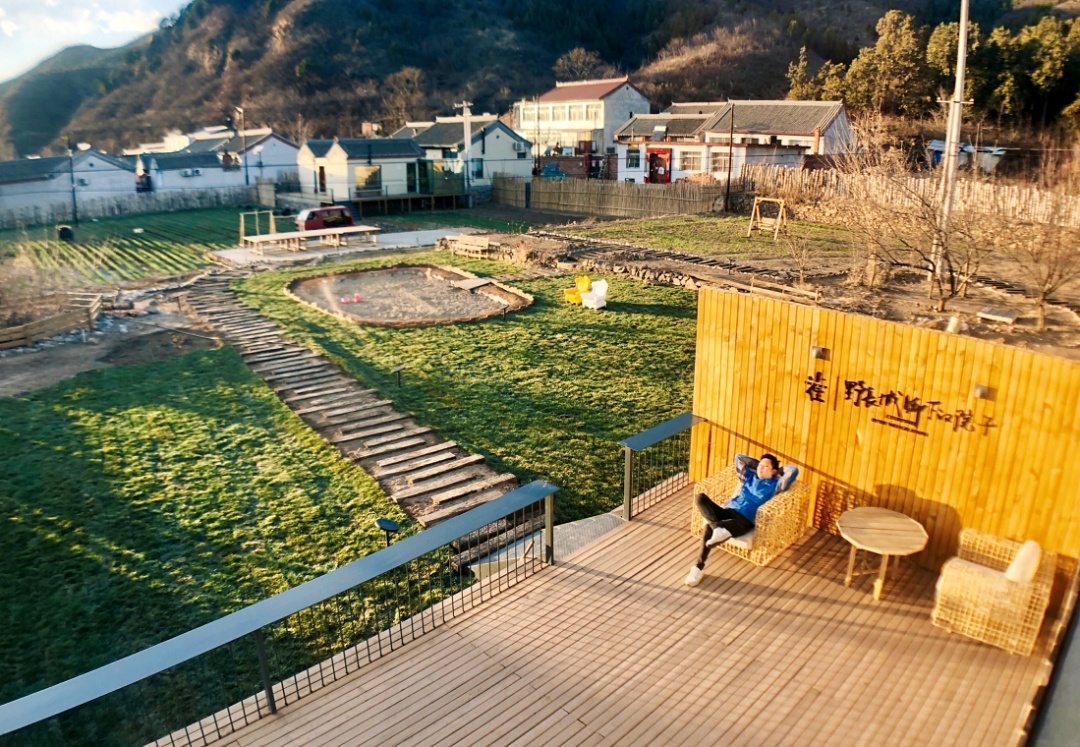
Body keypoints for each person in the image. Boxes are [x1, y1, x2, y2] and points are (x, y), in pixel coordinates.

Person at [685, 453, 782, 587]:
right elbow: (739, 458)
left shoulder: (775, 485)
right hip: (728, 511)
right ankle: (718, 528)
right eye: (760, 465)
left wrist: (778, 472)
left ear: (774, 471)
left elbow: (793, 471)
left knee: (708, 528)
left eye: (766, 467)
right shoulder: (749, 476)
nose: (761, 468)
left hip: (743, 521)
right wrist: (758, 465)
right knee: (700, 498)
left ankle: (697, 568)